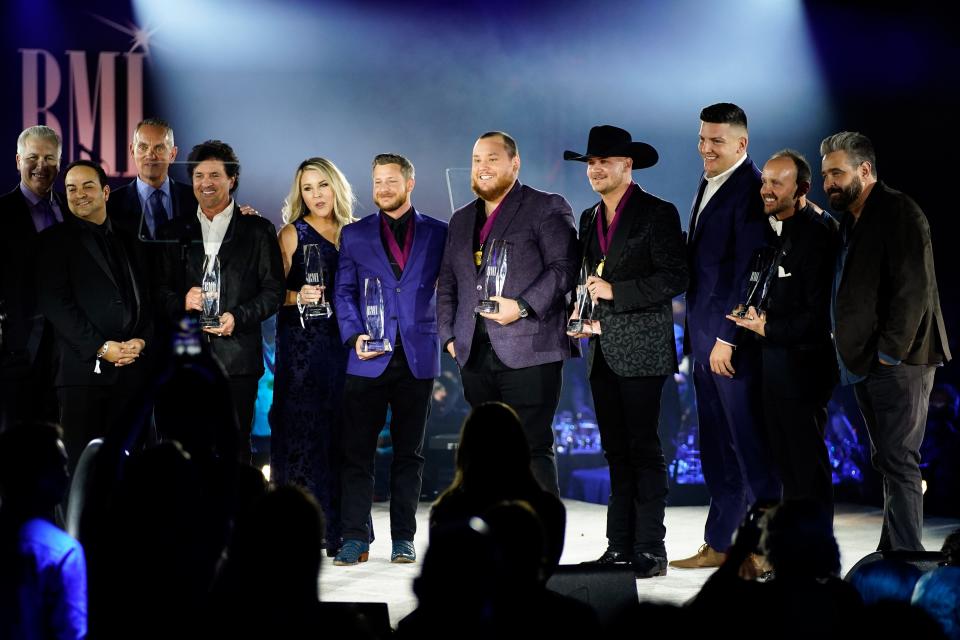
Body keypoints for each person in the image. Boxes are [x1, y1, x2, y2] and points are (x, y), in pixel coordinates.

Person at [563, 125, 687, 577]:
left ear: (627, 165)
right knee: (615, 452)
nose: (595, 169)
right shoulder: (587, 218)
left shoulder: (657, 213)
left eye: (604, 161)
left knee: (645, 450)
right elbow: (585, 277)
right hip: (600, 348)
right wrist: (581, 310)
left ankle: (651, 548)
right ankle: (619, 547)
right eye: (590, 163)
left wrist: (617, 291)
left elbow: (676, 277)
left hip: (644, 351)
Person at [821, 131, 950, 551]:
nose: (830, 183)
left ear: (865, 169)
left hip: (900, 361)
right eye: (825, 175)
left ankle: (908, 561)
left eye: (837, 173)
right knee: (888, 461)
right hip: (866, 362)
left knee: (899, 461)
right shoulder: (851, 220)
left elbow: (913, 291)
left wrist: (889, 355)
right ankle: (892, 551)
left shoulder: (898, 211)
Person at [437, 131, 578, 496]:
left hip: (530, 349)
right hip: (473, 354)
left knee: (530, 448)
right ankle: (493, 538)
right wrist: (449, 338)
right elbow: (449, 282)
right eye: (477, 160)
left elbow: (564, 268)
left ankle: (540, 544)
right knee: (484, 454)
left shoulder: (545, 206)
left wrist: (522, 306)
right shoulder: (461, 219)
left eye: (492, 159)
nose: (482, 167)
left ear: (515, 164)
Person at [672, 103, 780, 569]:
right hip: (702, 339)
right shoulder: (709, 180)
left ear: (742, 144)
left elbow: (750, 271)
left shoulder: (752, 190)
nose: (706, 149)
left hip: (730, 342)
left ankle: (764, 549)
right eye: (702, 138)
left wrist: (727, 337)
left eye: (716, 141)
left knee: (749, 445)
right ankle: (719, 543)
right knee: (715, 445)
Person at [333, 153, 447, 565]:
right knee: (357, 452)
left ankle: (403, 538)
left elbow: (450, 289)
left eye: (391, 181)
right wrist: (353, 334)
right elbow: (342, 291)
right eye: (377, 181)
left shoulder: (439, 233)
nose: (382, 188)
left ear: (409, 183)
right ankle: (354, 537)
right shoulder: (356, 234)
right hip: (367, 356)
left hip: (417, 356)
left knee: (409, 454)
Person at [155, 140, 284, 462]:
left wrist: (237, 317)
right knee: (184, 449)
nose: (205, 183)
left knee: (235, 447)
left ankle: (234, 512)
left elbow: (273, 291)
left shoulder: (257, 229)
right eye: (198, 176)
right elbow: (157, 290)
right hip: (186, 358)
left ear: (232, 179)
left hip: (238, 358)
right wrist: (181, 300)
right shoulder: (175, 230)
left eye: (214, 175)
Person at [727, 150, 839, 514]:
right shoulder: (770, 227)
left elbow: (819, 316)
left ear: (802, 188)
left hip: (804, 370)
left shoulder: (818, 234)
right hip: (771, 367)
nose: (766, 189)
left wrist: (766, 326)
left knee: (806, 467)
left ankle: (814, 558)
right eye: (765, 181)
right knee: (785, 468)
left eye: (778, 182)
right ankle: (792, 554)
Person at [35, 160, 152, 468]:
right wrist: (101, 348)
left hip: (131, 371)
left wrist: (140, 341)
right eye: (71, 188)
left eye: (87, 186)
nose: (79, 194)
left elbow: (147, 300)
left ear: (106, 191)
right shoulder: (51, 242)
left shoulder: (130, 238)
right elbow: (56, 305)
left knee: (129, 471)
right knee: (81, 471)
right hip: (81, 374)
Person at [270, 157, 356, 556]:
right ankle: (299, 530)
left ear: (335, 187)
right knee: (302, 435)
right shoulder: (292, 232)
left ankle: (340, 529)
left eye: (322, 185)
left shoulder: (355, 233)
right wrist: (297, 296)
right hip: (303, 347)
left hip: (344, 346)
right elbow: (272, 293)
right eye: (307, 188)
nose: (316, 195)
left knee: (340, 435)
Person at [429, 401, 566, 573]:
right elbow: (548, 572)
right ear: (521, 445)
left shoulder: (447, 509)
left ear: (466, 449)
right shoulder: (550, 509)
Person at [1, 125, 65, 428]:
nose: (42, 166)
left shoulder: (71, 209)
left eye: (50, 158)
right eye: (33, 157)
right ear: (17, 160)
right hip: (17, 356)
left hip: (68, 356)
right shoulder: (1, 213)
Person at [0, 422, 86, 640]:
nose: (67, 476)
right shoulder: (62, 551)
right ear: (38, 472)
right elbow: (71, 633)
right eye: (61, 466)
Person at [106, 118, 198, 241]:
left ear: (172, 154)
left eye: (159, 148)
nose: (150, 155)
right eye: (143, 147)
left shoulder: (196, 199)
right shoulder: (111, 204)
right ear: (132, 151)